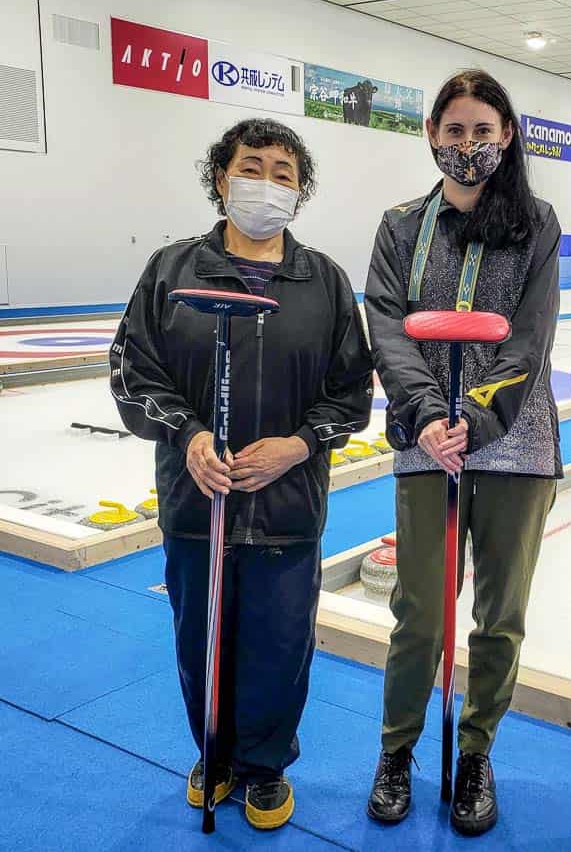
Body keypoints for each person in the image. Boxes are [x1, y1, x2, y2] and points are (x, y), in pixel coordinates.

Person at [110, 118, 373, 830]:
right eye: (250, 166)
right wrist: (189, 434)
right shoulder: (172, 270)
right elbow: (133, 370)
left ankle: (264, 767)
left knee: (282, 643)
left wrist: (297, 444)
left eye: (284, 172)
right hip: (198, 503)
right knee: (201, 634)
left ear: (300, 191)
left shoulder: (323, 281)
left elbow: (350, 393)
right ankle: (215, 754)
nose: (266, 182)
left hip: (287, 505)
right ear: (222, 178)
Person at [363, 69, 562, 837]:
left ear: (507, 135)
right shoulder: (400, 225)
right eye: (454, 130)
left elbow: (531, 334)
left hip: (515, 444)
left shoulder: (536, 222)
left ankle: (475, 753)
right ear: (431, 136)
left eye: (483, 130)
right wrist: (422, 415)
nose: (468, 145)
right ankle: (397, 752)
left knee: (499, 617)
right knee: (418, 611)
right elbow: (386, 320)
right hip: (425, 443)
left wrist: (474, 421)